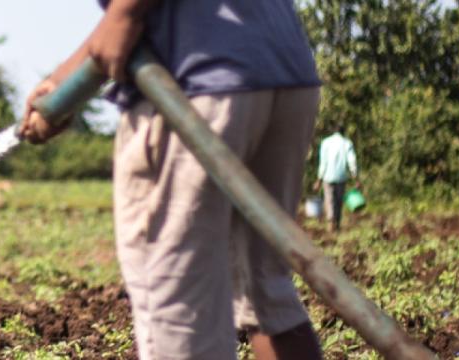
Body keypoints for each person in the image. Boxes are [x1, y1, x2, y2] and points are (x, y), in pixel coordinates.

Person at [17, 0, 325, 358]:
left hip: (194, 80)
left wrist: (125, 12)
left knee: (177, 303)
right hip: (282, 65)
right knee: (264, 293)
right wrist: (60, 82)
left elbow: (132, 16)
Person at [316, 126, 359, 232]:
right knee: (339, 201)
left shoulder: (326, 142)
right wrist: (356, 178)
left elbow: (323, 163)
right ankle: (337, 224)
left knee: (329, 199)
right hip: (341, 177)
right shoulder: (347, 143)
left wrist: (319, 180)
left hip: (328, 177)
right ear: (343, 133)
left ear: (333, 132)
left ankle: (331, 221)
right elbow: (352, 162)